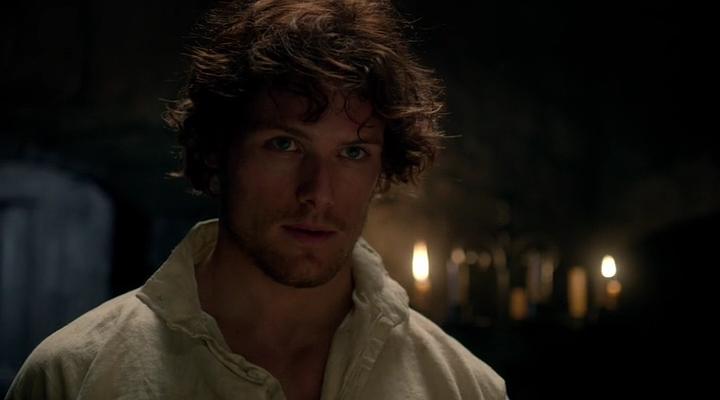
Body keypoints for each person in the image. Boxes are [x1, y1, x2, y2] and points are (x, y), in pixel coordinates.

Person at [5, 0, 506, 399]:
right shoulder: (75, 376)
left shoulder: (462, 387)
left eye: (352, 152)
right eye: (284, 145)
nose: (318, 193)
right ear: (217, 151)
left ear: (381, 168)